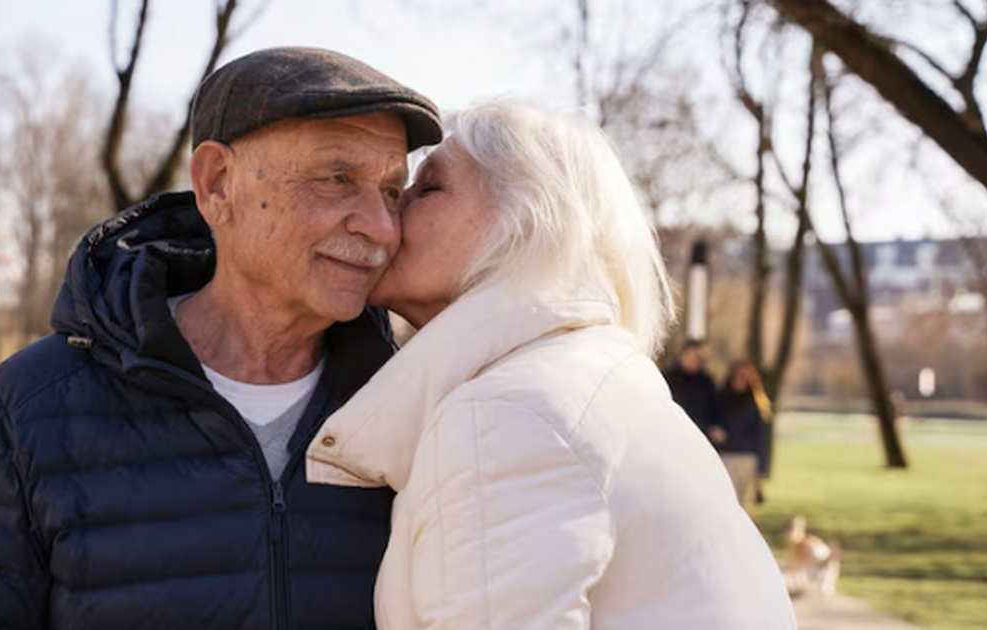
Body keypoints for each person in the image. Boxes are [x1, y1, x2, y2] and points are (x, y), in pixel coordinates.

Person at [0, 47, 442, 630]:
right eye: (337, 178)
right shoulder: (27, 410)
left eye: (392, 191)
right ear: (217, 184)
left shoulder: (420, 411)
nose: (382, 227)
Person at [306, 103, 797, 629]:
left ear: (528, 225)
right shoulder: (582, 379)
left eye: (428, 189)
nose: (389, 213)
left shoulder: (510, 415)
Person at [719, 359, 773, 512]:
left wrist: (761, 469)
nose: (740, 380)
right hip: (725, 457)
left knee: (744, 508)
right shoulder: (721, 400)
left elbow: (761, 439)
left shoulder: (757, 405)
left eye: (744, 376)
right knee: (726, 504)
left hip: (747, 459)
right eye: (737, 376)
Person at [662, 338, 727, 445]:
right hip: (672, 434)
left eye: (701, 359)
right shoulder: (668, 378)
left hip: (699, 436)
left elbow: (716, 409)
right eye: (695, 357)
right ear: (683, 354)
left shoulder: (706, 382)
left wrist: (716, 427)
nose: (697, 361)